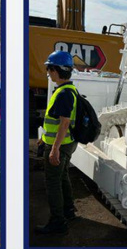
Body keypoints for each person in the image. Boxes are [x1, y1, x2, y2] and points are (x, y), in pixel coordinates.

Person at [36, 50, 79, 235]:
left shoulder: (64, 94)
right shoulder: (68, 90)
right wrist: (44, 137)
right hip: (65, 143)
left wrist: (54, 149)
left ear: (56, 70)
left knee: (53, 182)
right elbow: (55, 124)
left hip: (60, 145)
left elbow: (64, 123)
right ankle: (69, 210)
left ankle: (57, 223)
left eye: (49, 69)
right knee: (62, 177)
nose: (47, 72)